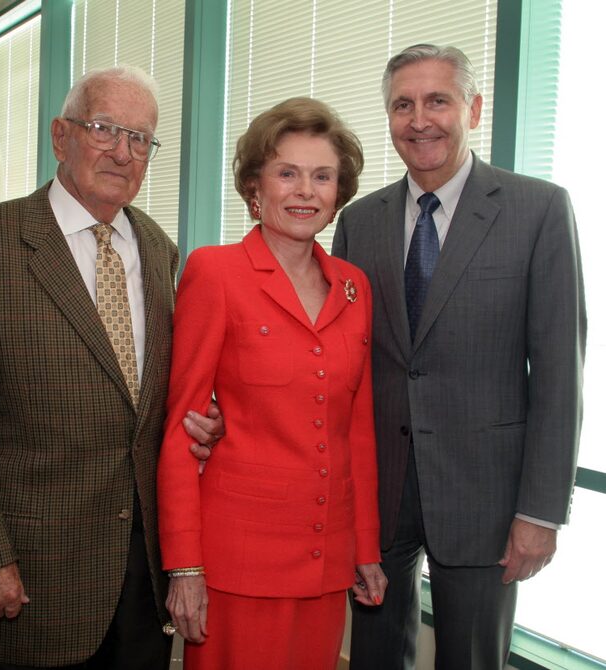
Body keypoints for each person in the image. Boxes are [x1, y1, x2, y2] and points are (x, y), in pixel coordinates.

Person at [0, 65, 223, 670]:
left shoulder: (162, 251)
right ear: (61, 137)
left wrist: (203, 420)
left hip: (139, 582)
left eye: (141, 138)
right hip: (28, 578)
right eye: (105, 128)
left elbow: (148, 397)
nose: (123, 151)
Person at [331, 44, 586, 670]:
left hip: (486, 498)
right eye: (403, 105)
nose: (420, 120)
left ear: (472, 107)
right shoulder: (358, 221)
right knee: (372, 658)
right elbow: (338, 358)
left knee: (471, 661)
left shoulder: (538, 209)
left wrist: (540, 511)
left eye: (437, 100)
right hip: (378, 492)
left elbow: (559, 375)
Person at [157, 97, 387, 670]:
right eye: (288, 173)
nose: (305, 191)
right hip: (238, 562)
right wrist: (185, 567)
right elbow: (182, 428)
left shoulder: (353, 287)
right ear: (255, 186)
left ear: (340, 191)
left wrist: (365, 547)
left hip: (325, 558)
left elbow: (356, 432)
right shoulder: (216, 272)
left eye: (322, 176)